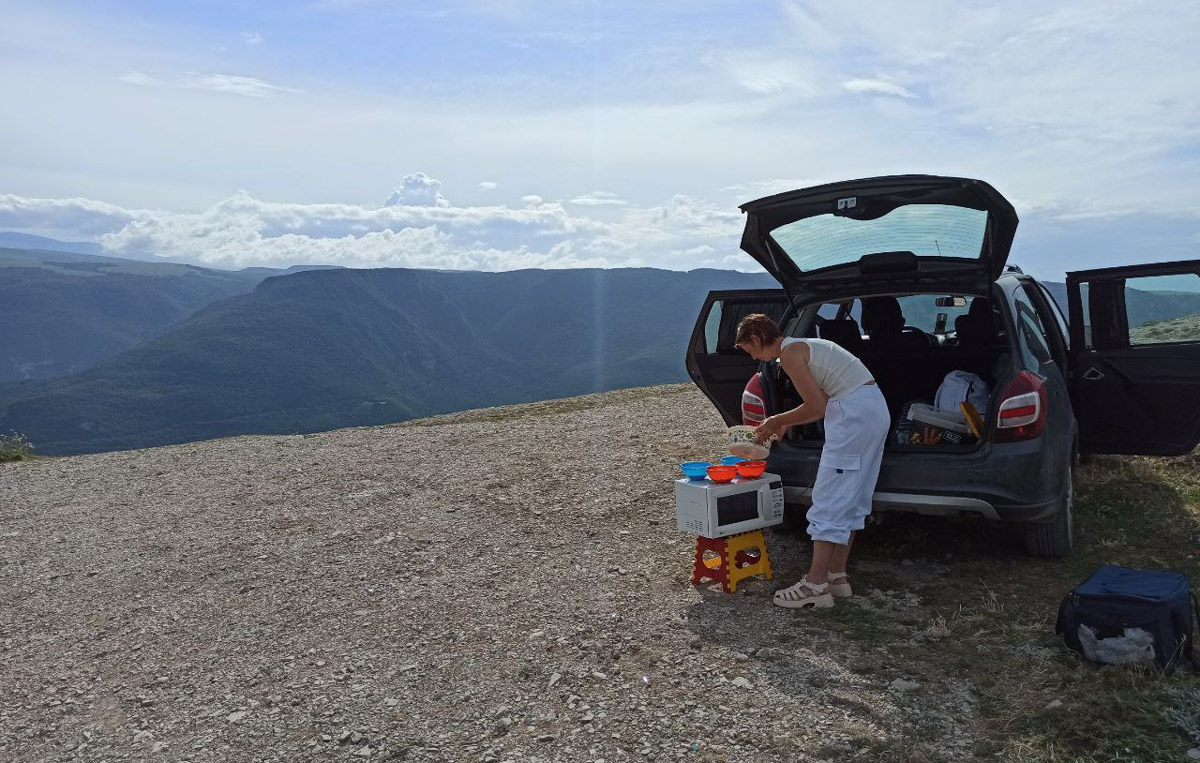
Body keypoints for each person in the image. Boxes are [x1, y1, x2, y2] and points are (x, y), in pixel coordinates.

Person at [733, 313, 890, 609]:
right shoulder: (805, 346)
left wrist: (775, 419)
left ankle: (814, 585)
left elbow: (817, 406)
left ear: (756, 339)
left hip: (852, 416)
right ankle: (836, 577)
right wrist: (786, 422)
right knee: (852, 496)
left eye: (750, 350)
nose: (754, 357)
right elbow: (821, 401)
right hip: (872, 410)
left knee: (829, 497)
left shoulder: (790, 355)